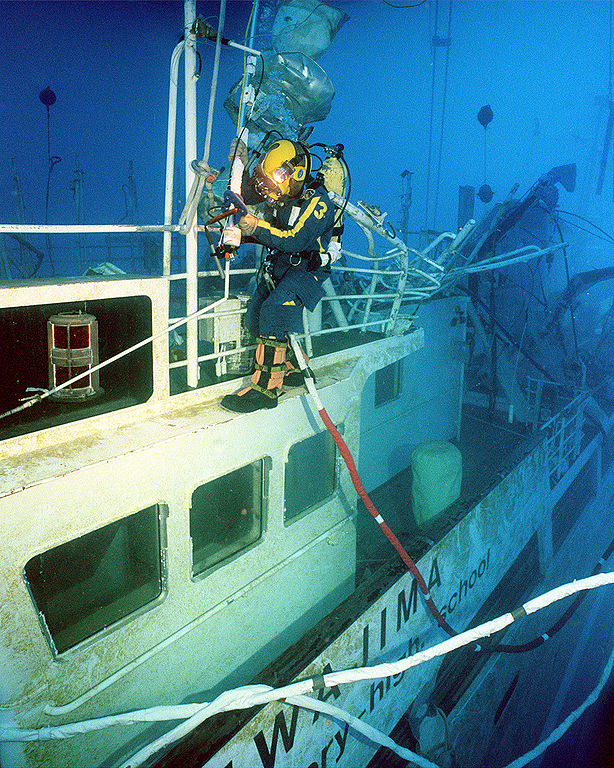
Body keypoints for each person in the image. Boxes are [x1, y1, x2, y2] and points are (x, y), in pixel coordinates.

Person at [220, 138, 337, 413]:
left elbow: (295, 240)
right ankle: (292, 368)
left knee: (273, 312)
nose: (271, 193)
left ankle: (266, 389)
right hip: (284, 264)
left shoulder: (319, 203)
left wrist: (255, 228)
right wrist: (239, 163)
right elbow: (245, 196)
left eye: (275, 184)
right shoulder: (283, 193)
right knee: (255, 314)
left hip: (308, 270)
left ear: (296, 172)